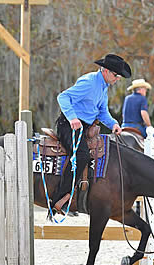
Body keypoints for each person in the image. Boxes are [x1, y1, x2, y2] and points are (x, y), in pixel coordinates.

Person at [51, 53, 132, 215]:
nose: (117, 79)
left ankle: (82, 196)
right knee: (81, 156)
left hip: (85, 127)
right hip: (69, 125)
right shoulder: (89, 83)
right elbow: (63, 97)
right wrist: (72, 117)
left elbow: (102, 112)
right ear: (106, 71)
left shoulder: (103, 88)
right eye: (116, 75)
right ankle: (59, 200)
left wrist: (113, 124)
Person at [121, 78, 154, 149]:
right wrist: (149, 126)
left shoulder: (127, 98)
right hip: (137, 126)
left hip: (124, 125)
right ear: (140, 89)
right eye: (145, 88)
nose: (146, 91)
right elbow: (143, 113)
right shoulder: (142, 98)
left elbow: (123, 114)